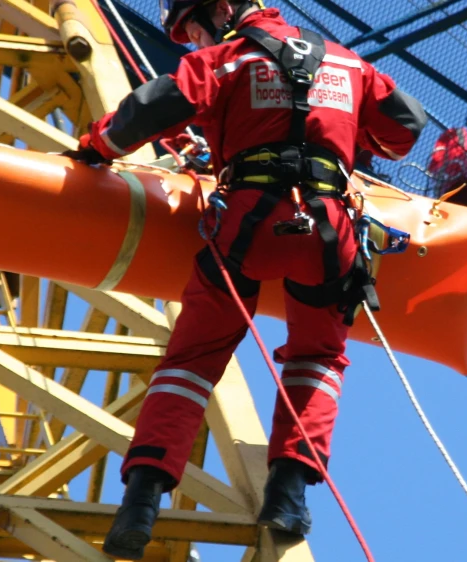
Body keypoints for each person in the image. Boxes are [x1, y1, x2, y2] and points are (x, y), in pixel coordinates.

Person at [68, 0, 426, 558]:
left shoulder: (224, 59)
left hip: (248, 221)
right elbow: (406, 127)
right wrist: (343, 134)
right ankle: (288, 498)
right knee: (319, 358)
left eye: (191, 27)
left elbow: (147, 111)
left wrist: (94, 148)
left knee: (193, 360)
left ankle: (140, 505)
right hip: (329, 231)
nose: (189, 40)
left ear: (224, 8)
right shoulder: (350, 64)